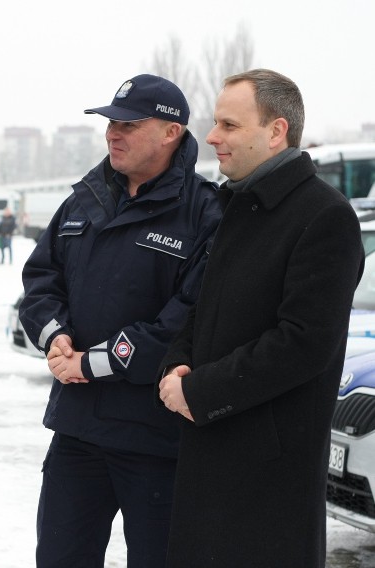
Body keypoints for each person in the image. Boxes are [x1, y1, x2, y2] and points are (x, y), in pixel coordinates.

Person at [157, 69, 364, 567]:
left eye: (228, 125)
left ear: (276, 132)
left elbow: (303, 343)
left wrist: (201, 392)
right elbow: (203, 309)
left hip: (267, 477)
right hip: (211, 452)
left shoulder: (324, 215)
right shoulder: (238, 206)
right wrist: (178, 364)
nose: (211, 137)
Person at [19, 74, 222, 567]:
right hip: (77, 432)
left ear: (171, 131)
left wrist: (95, 364)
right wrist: (56, 337)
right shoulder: (83, 200)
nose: (113, 133)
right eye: (110, 122)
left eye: (129, 124)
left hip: (156, 440)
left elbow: (187, 319)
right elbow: (40, 280)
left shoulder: (205, 213)